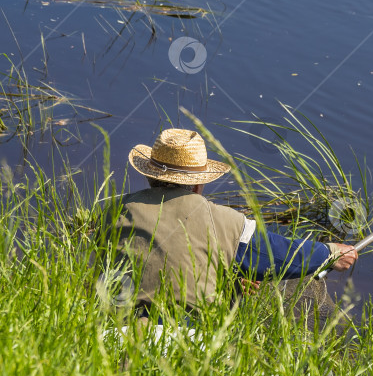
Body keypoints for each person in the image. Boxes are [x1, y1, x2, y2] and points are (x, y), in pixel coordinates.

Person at [106, 127, 357, 317]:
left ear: (150, 176)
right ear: (198, 183)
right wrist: (330, 252)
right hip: (187, 341)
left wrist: (230, 279)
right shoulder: (226, 222)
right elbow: (281, 254)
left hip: (114, 333)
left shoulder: (115, 209)